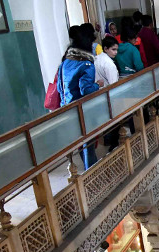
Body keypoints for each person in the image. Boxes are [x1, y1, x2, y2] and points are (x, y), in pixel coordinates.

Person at [58, 26, 102, 169]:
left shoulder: (65, 61)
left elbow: (60, 88)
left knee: (80, 142)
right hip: (83, 110)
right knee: (88, 143)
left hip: (67, 108)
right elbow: (86, 89)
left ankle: (88, 168)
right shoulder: (86, 63)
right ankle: (92, 171)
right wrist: (97, 84)